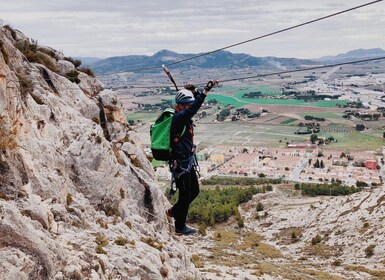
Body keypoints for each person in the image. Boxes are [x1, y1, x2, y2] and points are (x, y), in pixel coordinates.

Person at [166, 80, 219, 235]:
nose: (190, 107)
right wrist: (205, 92)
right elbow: (194, 108)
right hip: (180, 163)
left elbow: (193, 105)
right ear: (181, 106)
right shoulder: (178, 118)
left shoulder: (182, 114)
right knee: (185, 195)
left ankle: (173, 211)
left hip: (186, 161)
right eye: (187, 105)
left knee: (194, 191)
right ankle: (179, 226)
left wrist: (195, 91)